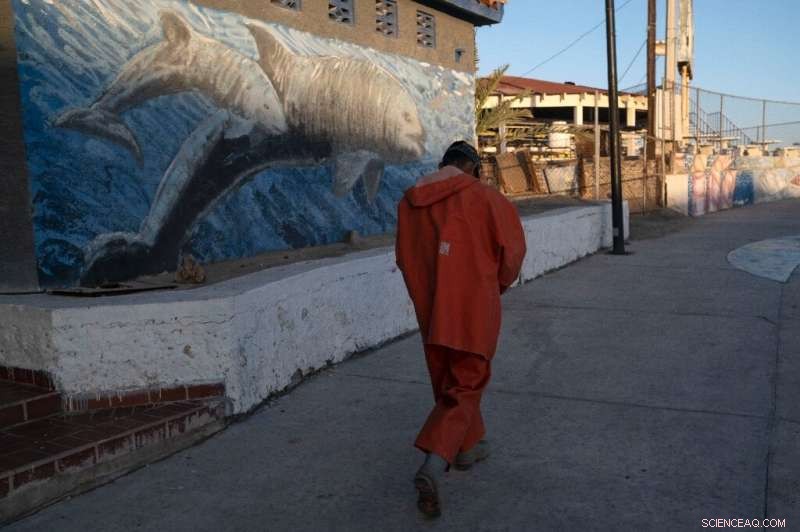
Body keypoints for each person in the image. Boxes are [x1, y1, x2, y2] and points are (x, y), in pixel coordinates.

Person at [395, 141, 527, 518]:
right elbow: (512, 256)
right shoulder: (486, 198)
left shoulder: (409, 203)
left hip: (431, 309)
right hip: (472, 310)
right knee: (466, 384)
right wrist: (495, 286)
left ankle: (468, 447)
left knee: (450, 384)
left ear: (445, 165)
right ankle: (434, 464)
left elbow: (404, 259)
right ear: (474, 168)